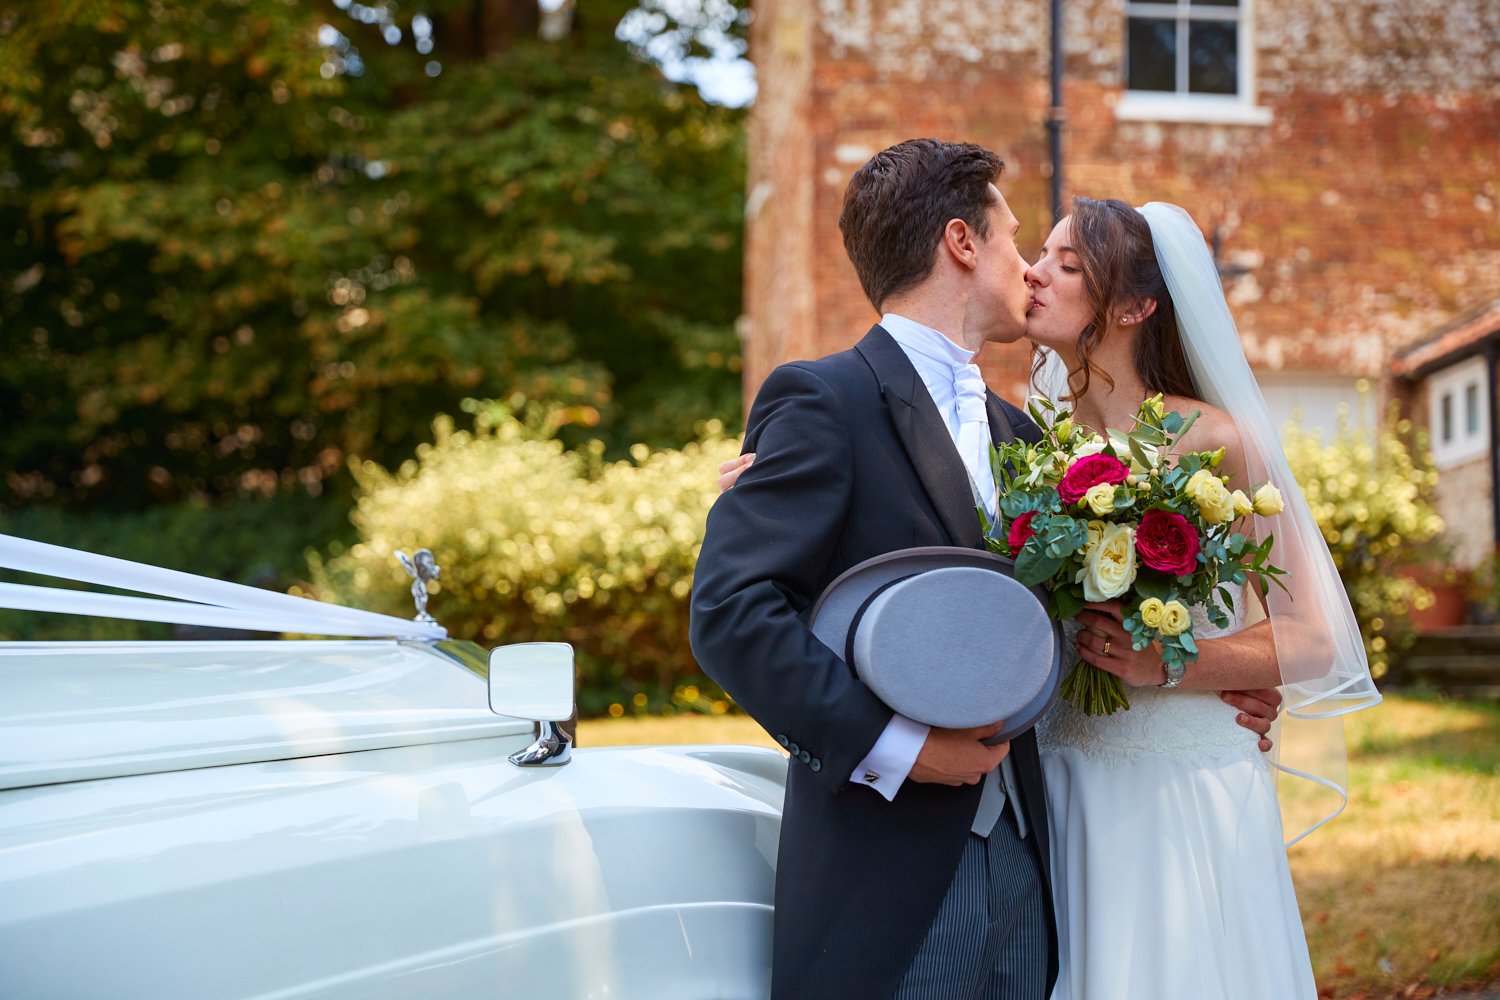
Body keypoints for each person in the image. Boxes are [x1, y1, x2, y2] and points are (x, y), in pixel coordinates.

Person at [691, 139, 1281, 1000]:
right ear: (963, 243)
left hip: (1039, 865)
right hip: (892, 878)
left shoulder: (1029, 440)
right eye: (1015, 241)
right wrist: (901, 747)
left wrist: (1221, 672)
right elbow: (734, 615)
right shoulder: (824, 399)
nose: (1031, 268)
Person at [1021, 197, 1381, 999]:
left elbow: (1313, 638)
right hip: (1062, 775)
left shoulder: (1216, 440)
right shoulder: (1031, 446)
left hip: (1179, 779)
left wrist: (1172, 664)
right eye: (1040, 254)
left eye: (1067, 264)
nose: (1033, 272)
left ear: (1136, 305)